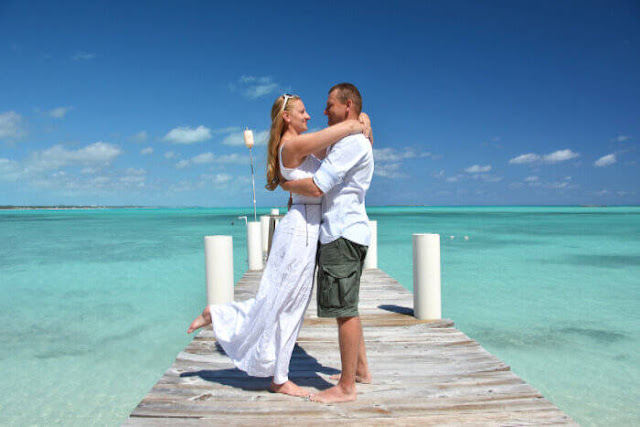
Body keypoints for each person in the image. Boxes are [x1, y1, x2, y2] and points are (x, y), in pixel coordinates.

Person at [187, 93, 372, 398]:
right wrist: (358, 122)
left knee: (290, 305)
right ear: (287, 117)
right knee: (280, 301)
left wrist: (364, 119)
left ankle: (279, 374)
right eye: (302, 111)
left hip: (310, 229)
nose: (309, 116)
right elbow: (338, 139)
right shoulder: (292, 145)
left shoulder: (302, 143)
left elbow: (337, 141)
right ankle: (221, 319)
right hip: (299, 231)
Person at [281, 83, 374, 403]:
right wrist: (361, 121)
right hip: (348, 231)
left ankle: (346, 387)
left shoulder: (351, 144)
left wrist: (284, 184)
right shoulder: (347, 139)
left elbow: (318, 187)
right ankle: (360, 370)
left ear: (347, 105)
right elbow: (318, 147)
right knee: (348, 306)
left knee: (344, 310)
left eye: (329, 105)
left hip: (342, 233)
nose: (323, 111)